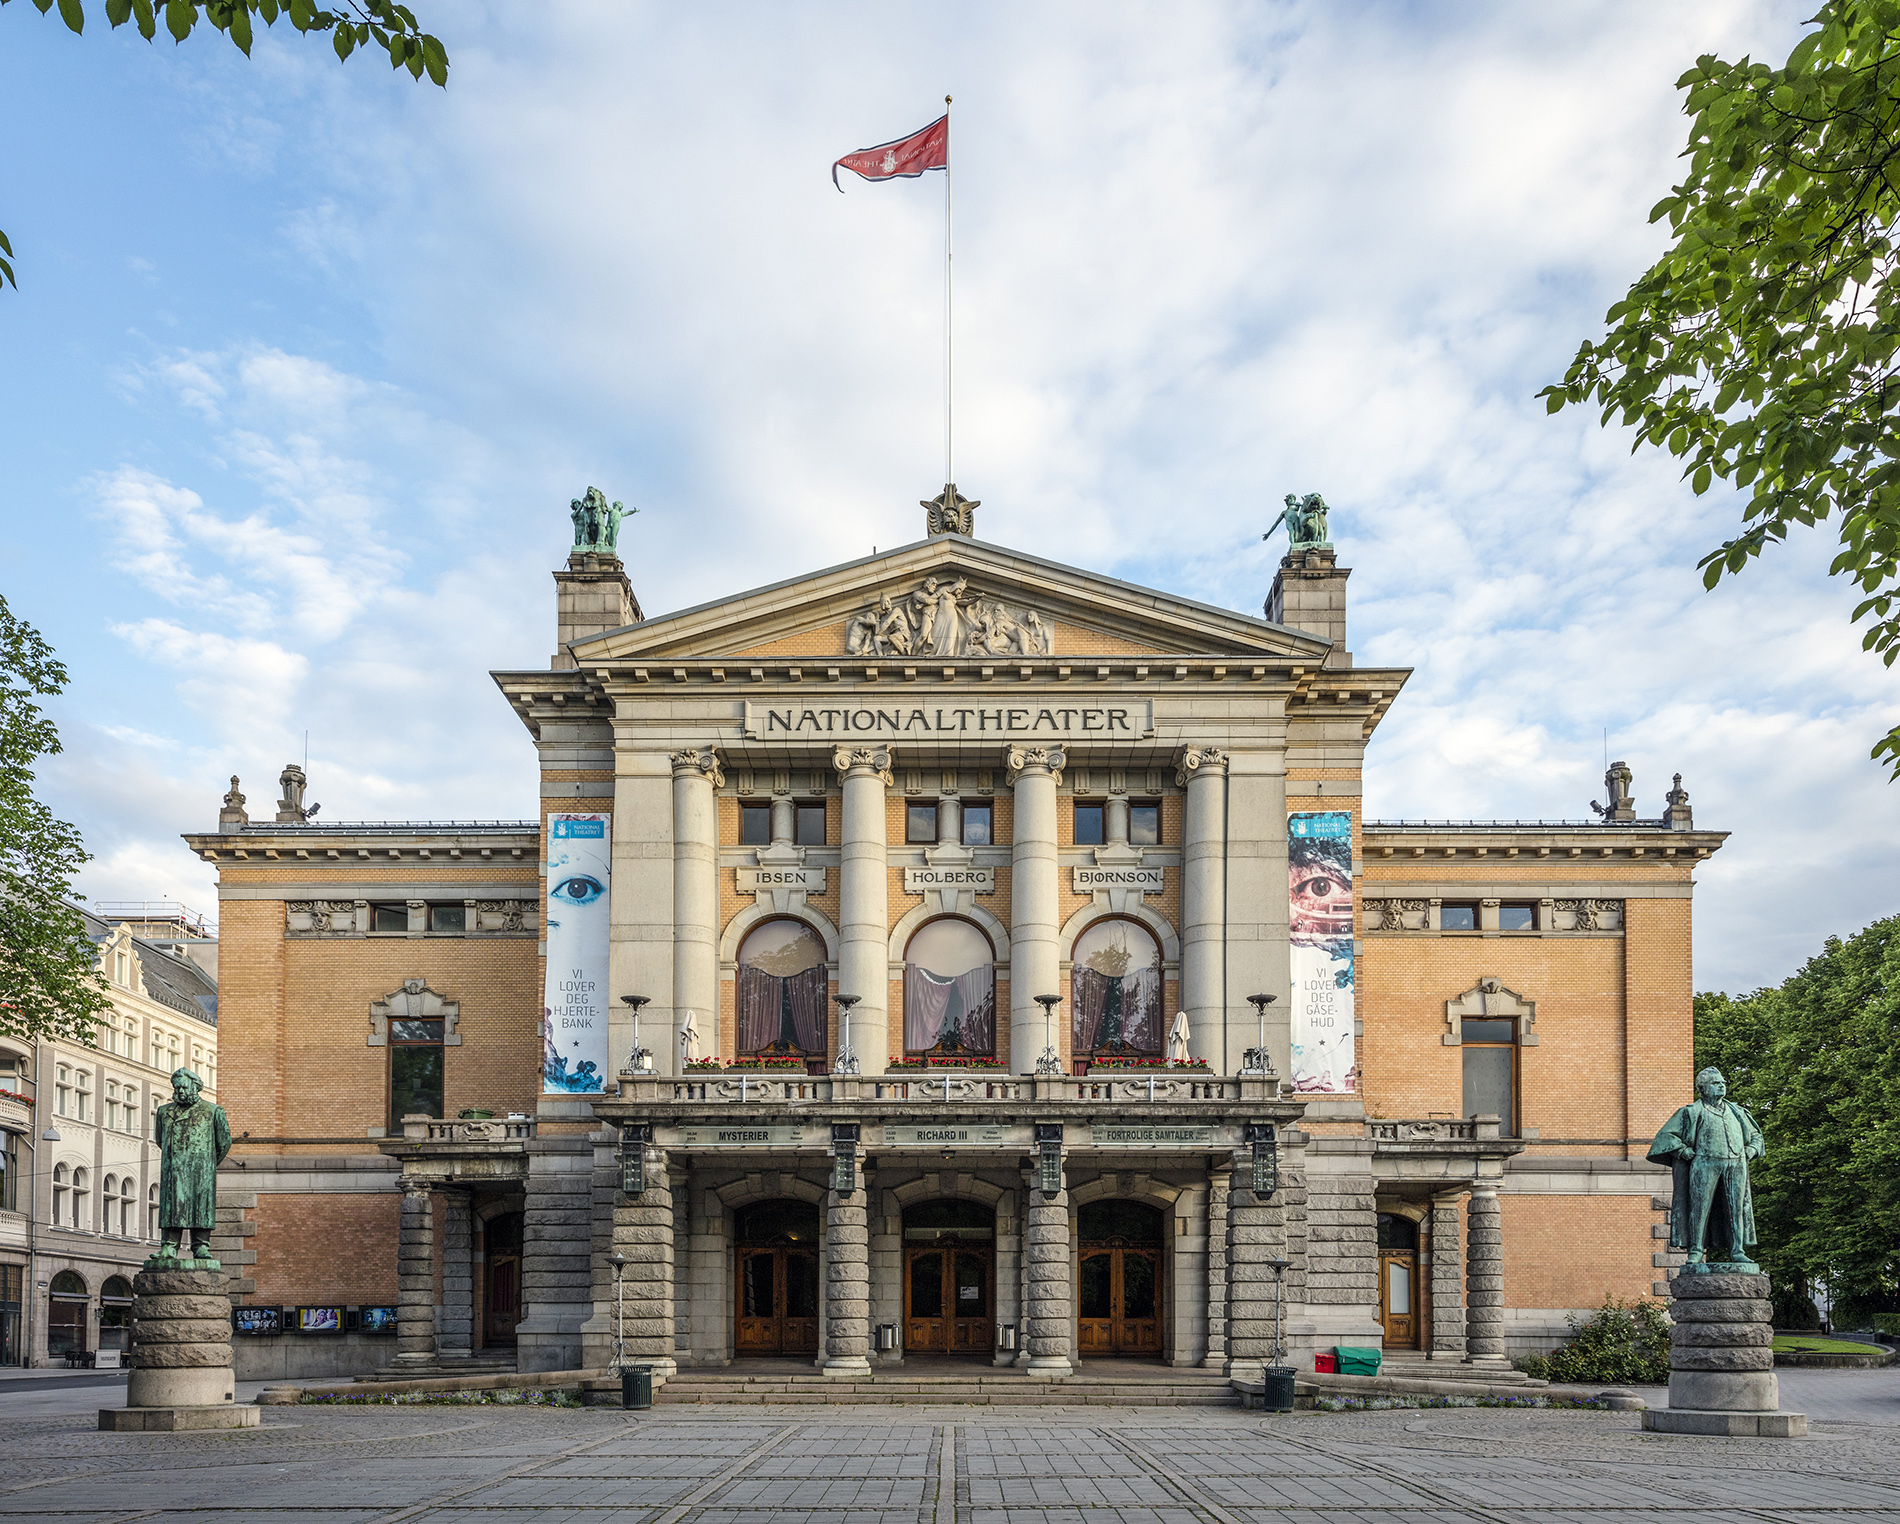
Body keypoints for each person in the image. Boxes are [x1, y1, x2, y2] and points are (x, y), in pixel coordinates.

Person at [1647, 1066, 1765, 1269]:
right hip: (1704, 1163)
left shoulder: (1738, 1112)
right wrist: (1683, 1151)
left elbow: (1756, 1136)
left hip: (1736, 1163)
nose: (1721, 1086)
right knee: (1699, 1209)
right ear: (1702, 1088)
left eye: (1722, 1083)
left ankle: (1738, 1250)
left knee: (1736, 1209)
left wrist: (1751, 1150)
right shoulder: (1691, 1112)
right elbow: (1665, 1137)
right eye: (1715, 1083)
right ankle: (1695, 1250)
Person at [153, 1069, 232, 1264]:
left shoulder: (213, 1111)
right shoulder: (164, 1111)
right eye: (176, 1087)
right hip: (174, 1169)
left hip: (201, 1170)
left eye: (183, 1087)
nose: (179, 1091)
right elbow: (160, 1139)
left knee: (200, 1207)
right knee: (172, 1207)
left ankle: (201, 1246)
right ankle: (169, 1247)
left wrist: (208, 1164)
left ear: (195, 1087)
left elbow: (224, 1142)